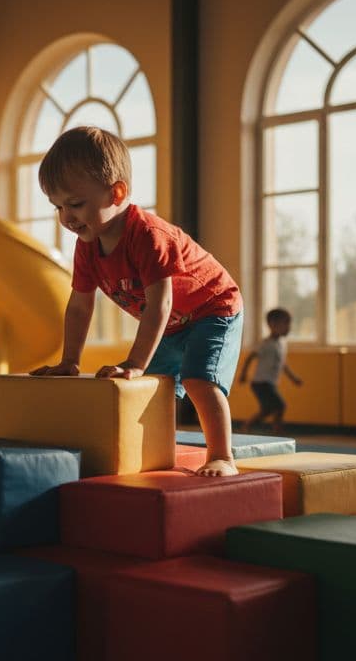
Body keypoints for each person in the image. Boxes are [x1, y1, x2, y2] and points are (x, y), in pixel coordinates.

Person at [29, 126, 244, 477]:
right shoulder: (87, 246)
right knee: (154, 390)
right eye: (58, 207)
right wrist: (69, 360)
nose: (66, 218)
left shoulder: (147, 236)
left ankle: (221, 455)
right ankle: (157, 452)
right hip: (175, 321)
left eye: (76, 204)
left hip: (213, 307)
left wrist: (135, 361)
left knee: (197, 380)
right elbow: (80, 305)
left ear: (117, 193)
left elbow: (160, 303)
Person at [238, 308, 303, 433]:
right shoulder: (265, 344)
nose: (289, 327)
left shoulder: (282, 343)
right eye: (285, 323)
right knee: (280, 405)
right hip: (260, 383)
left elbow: (283, 364)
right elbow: (250, 357)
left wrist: (293, 378)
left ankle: (247, 425)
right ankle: (277, 430)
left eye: (289, 323)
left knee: (267, 410)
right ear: (272, 325)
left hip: (269, 383)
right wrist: (243, 374)